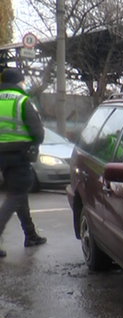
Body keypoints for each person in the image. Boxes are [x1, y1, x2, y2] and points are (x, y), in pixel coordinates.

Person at [0, 68, 46, 258]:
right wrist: (33, 145)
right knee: (16, 195)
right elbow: (38, 133)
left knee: (19, 194)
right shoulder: (22, 101)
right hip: (19, 155)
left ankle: (30, 234)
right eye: (23, 81)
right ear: (19, 82)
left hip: (1, 156)